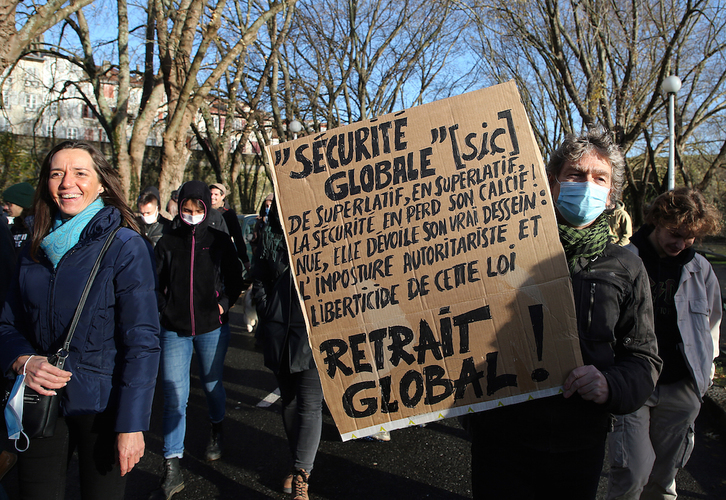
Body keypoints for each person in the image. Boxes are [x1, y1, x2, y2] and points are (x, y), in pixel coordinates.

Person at [467, 129, 662, 500]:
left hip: (577, 442)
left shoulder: (626, 266)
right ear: (553, 182)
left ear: (611, 195)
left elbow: (643, 357)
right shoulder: (503, 250)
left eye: (599, 178)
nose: (587, 185)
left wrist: (610, 385)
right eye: (575, 174)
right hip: (501, 437)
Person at [0, 140, 160, 499]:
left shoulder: (124, 244)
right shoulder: (33, 245)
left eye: (80, 173)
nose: (66, 182)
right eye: (57, 173)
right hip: (40, 398)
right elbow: (7, 325)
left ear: (101, 182)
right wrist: (25, 361)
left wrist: (132, 425)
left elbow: (142, 340)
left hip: (104, 407)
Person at [607, 188, 722, 500]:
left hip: (680, 386)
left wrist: (705, 373)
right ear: (656, 220)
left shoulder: (701, 270)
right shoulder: (623, 259)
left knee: (664, 478)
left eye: (690, 237)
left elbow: (712, 325)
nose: (680, 244)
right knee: (632, 472)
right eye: (675, 233)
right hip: (634, 381)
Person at [151, 180, 243, 500]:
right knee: (175, 396)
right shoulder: (166, 243)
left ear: (207, 208)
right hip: (174, 331)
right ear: (179, 208)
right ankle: (172, 463)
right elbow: (154, 285)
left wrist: (223, 304)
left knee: (211, 383)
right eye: (185, 209)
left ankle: (216, 427)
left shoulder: (219, 241)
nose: (191, 214)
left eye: (197, 209)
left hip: (211, 329)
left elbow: (235, 279)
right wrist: (165, 311)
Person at [250, 199, 323, 500]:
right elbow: (259, 279)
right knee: (290, 402)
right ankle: (299, 463)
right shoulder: (269, 237)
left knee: (310, 404)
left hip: (312, 335)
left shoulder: (322, 233)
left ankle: (302, 473)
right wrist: (269, 310)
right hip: (279, 335)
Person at [209, 183, 250, 270]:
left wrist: (244, 259)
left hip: (225, 255)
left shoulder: (229, 214)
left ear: (222, 196)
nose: (212, 197)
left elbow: (237, 236)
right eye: (210, 194)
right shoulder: (204, 212)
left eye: (216, 194)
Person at [2, 182, 35, 255]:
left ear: (22, 203)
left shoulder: (36, 229)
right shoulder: (14, 229)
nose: (5, 208)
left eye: (9, 204)